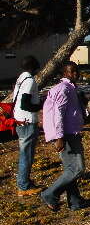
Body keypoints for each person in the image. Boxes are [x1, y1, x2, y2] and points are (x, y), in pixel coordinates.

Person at [40, 61, 87, 211]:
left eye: (76, 71)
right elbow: (57, 115)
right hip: (66, 134)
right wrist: (59, 137)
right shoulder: (63, 89)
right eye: (71, 72)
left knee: (70, 169)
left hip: (71, 132)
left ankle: (75, 201)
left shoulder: (70, 88)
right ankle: (50, 194)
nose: (75, 74)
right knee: (78, 168)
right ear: (64, 73)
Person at [12, 55, 42, 197]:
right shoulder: (29, 81)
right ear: (33, 67)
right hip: (27, 121)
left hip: (19, 119)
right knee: (26, 155)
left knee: (26, 153)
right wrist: (40, 105)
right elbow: (26, 104)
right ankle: (23, 186)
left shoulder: (21, 78)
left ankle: (25, 182)